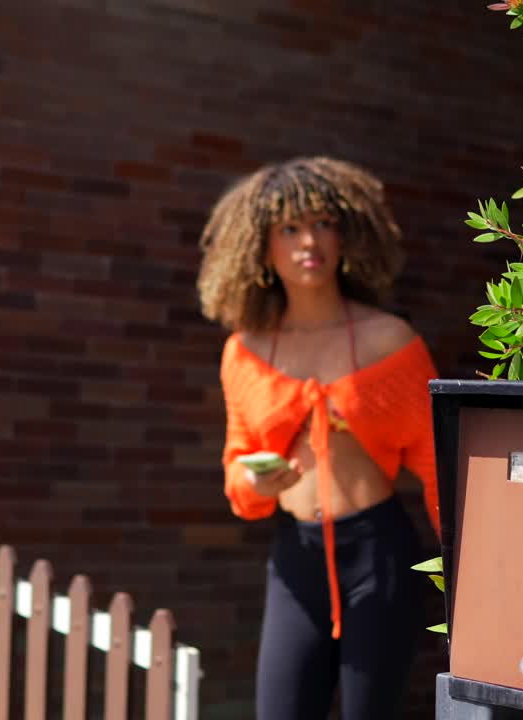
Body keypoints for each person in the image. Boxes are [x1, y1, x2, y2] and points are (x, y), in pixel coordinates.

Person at [197, 156, 441, 720]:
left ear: (345, 234)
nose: (309, 240)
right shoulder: (245, 351)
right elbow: (237, 469)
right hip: (294, 557)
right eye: (289, 228)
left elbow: (438, 467)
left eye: (322, 224)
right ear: (261, 249)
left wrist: (467, 569)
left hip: (378, 555)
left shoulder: (391, 341)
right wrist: (262, 483)